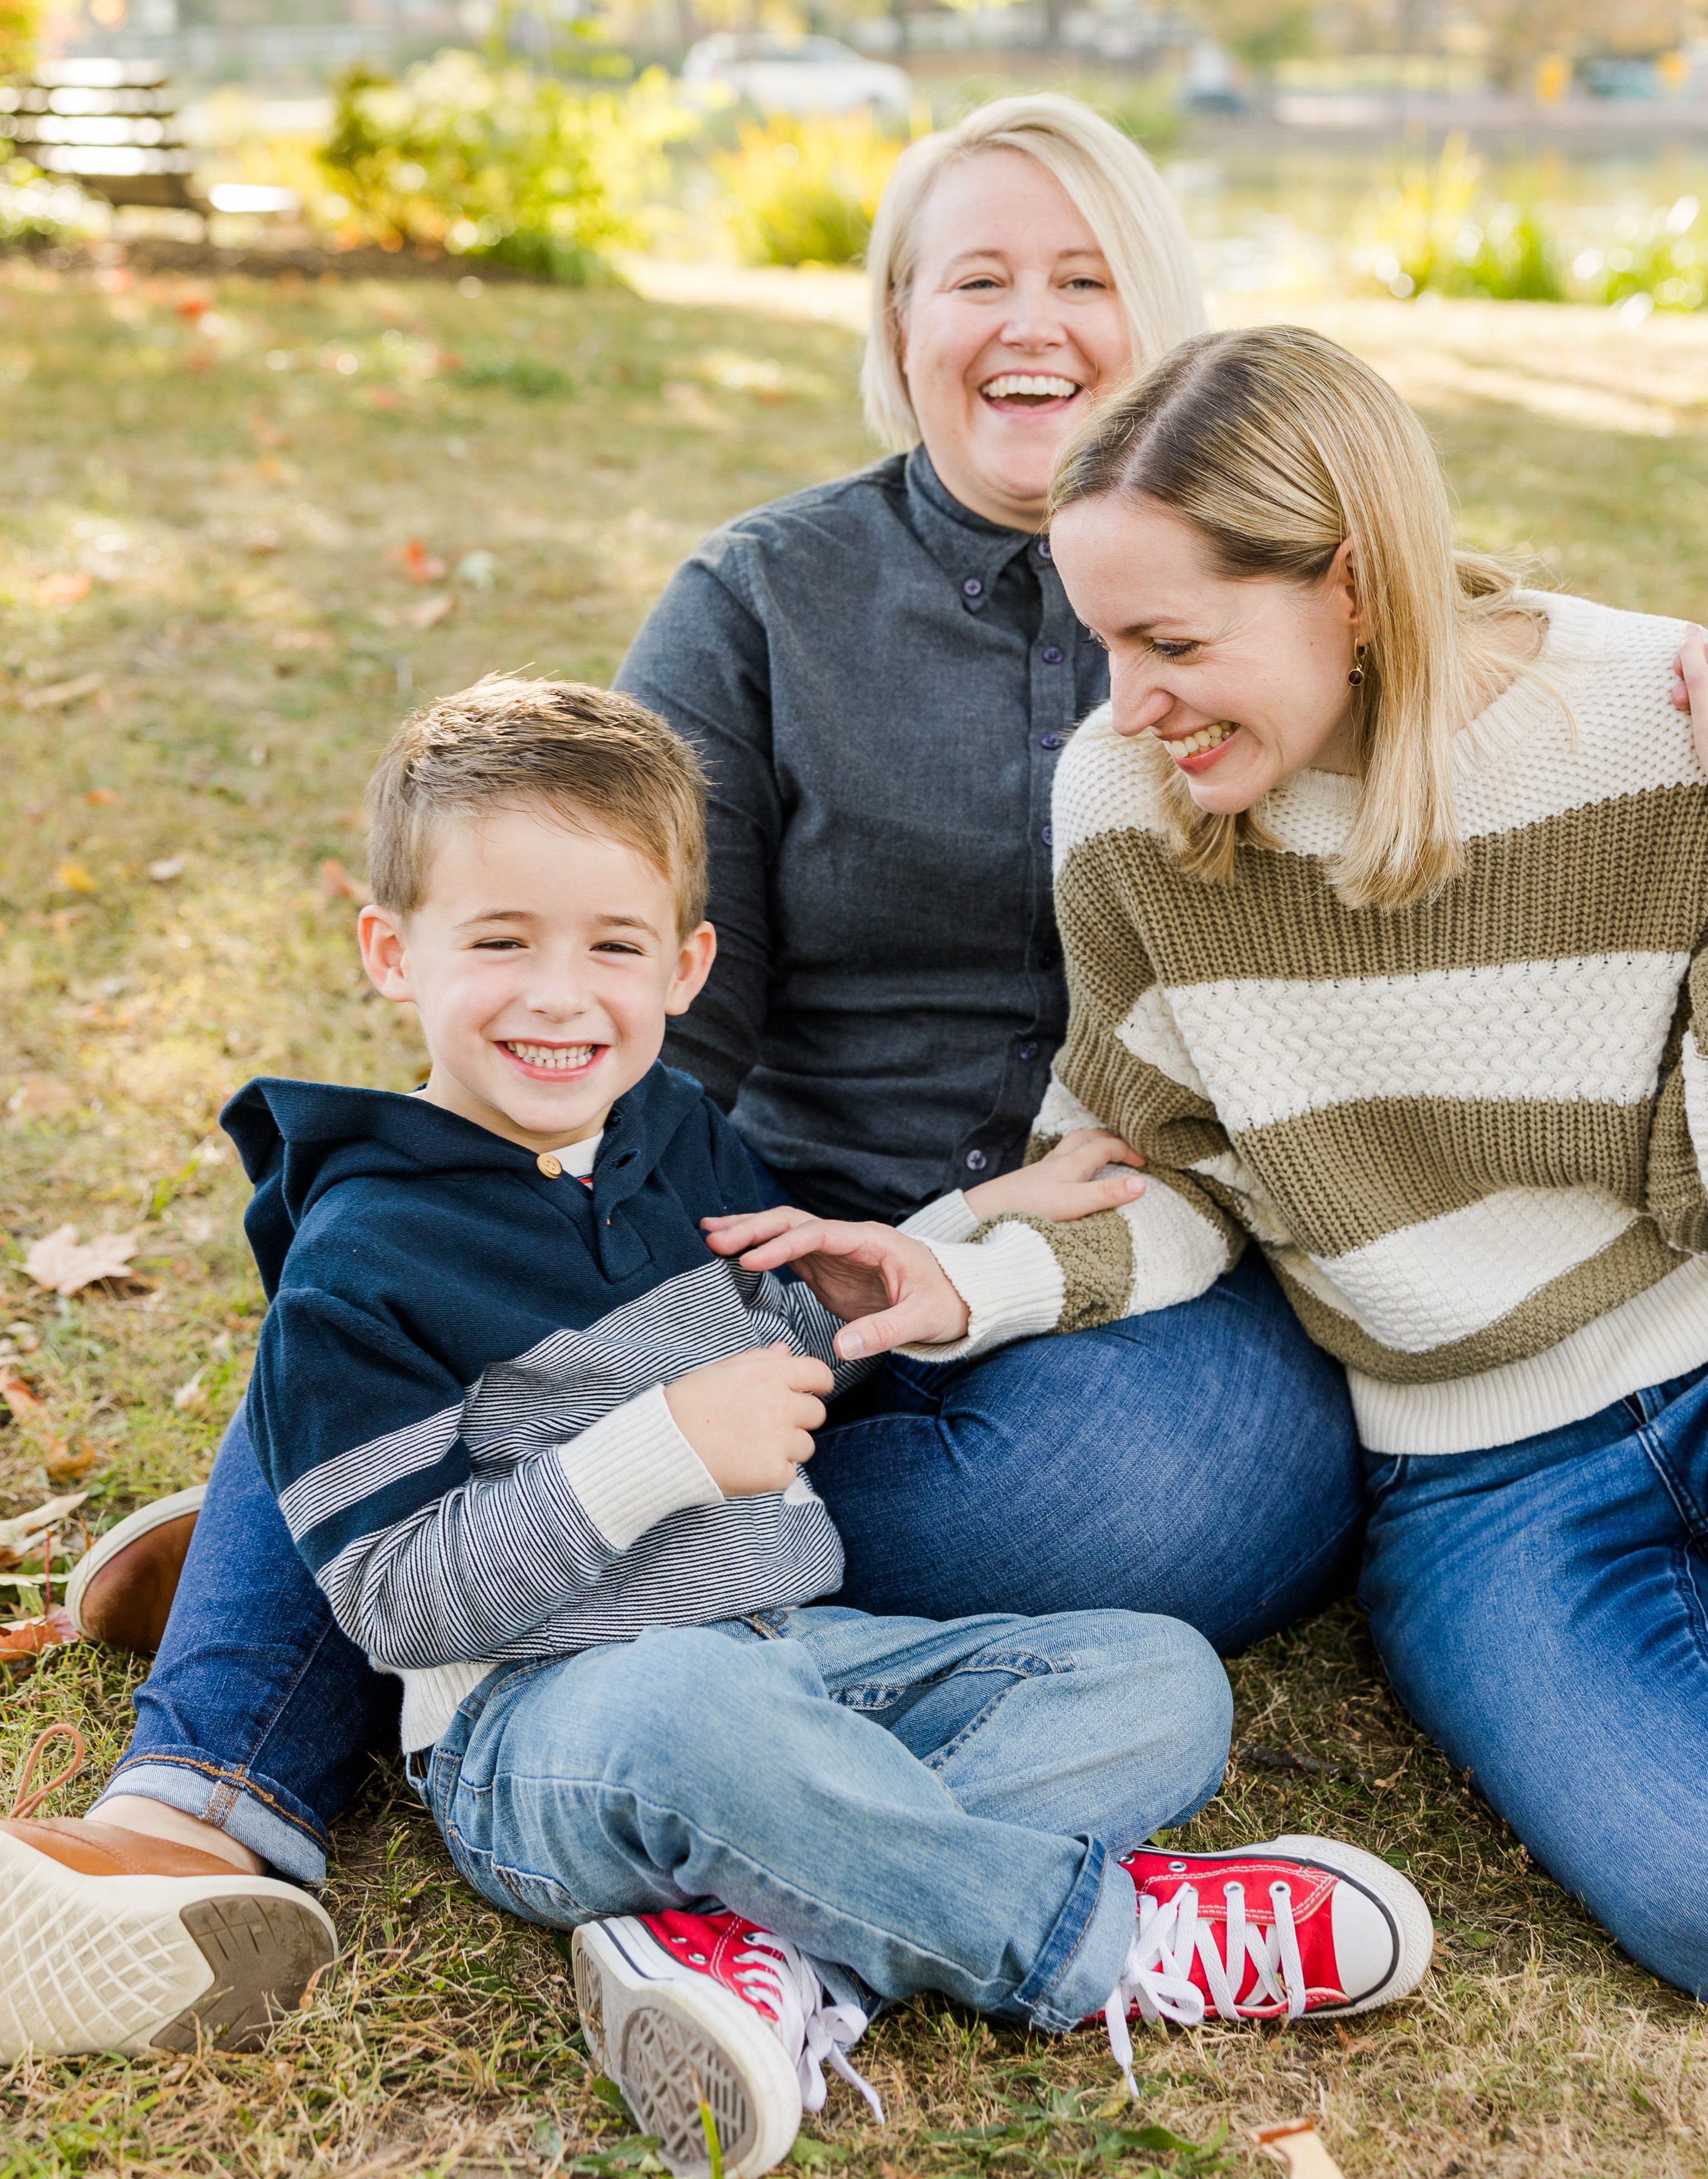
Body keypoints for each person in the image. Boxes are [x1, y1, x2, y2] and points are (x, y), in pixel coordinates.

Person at [54, 97, 1367, 1953]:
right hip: (771, 1251)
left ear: (1164, 318)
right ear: (897, 320)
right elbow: (629, 1017)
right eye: (975, 275)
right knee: (394, 1268)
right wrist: (606, 1318)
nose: (1032, 324)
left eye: (1086, 277)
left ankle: (480, 1550)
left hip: (1116, 1277)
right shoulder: (763, 596)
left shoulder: (1259, 594)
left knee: (1167, 1505)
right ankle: (230, 1772)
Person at [0, 679, 1434, 2139]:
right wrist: (664, 1449)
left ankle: (756, 1935)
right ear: (391, 951)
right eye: (500, 942)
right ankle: (1100, 1944)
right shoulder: (365, 1250)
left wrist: (962, 1224)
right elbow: (394, 1598)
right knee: (695, 1710)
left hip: (790, 1658)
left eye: (613, 947)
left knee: (1155, 1684)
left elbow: (782, 1325)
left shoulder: (674, 1138)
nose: (561, 995)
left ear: (687, 964)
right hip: (552, 1722)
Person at [744, 319, 1708, 2008]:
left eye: (1170, 638)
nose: (1124, 699)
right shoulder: (1130, 807)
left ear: (1351, 584)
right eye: (1100, 640)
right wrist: (967, 1276)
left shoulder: (1665, 721)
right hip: (1482, 1471)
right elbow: (1161, 1164)